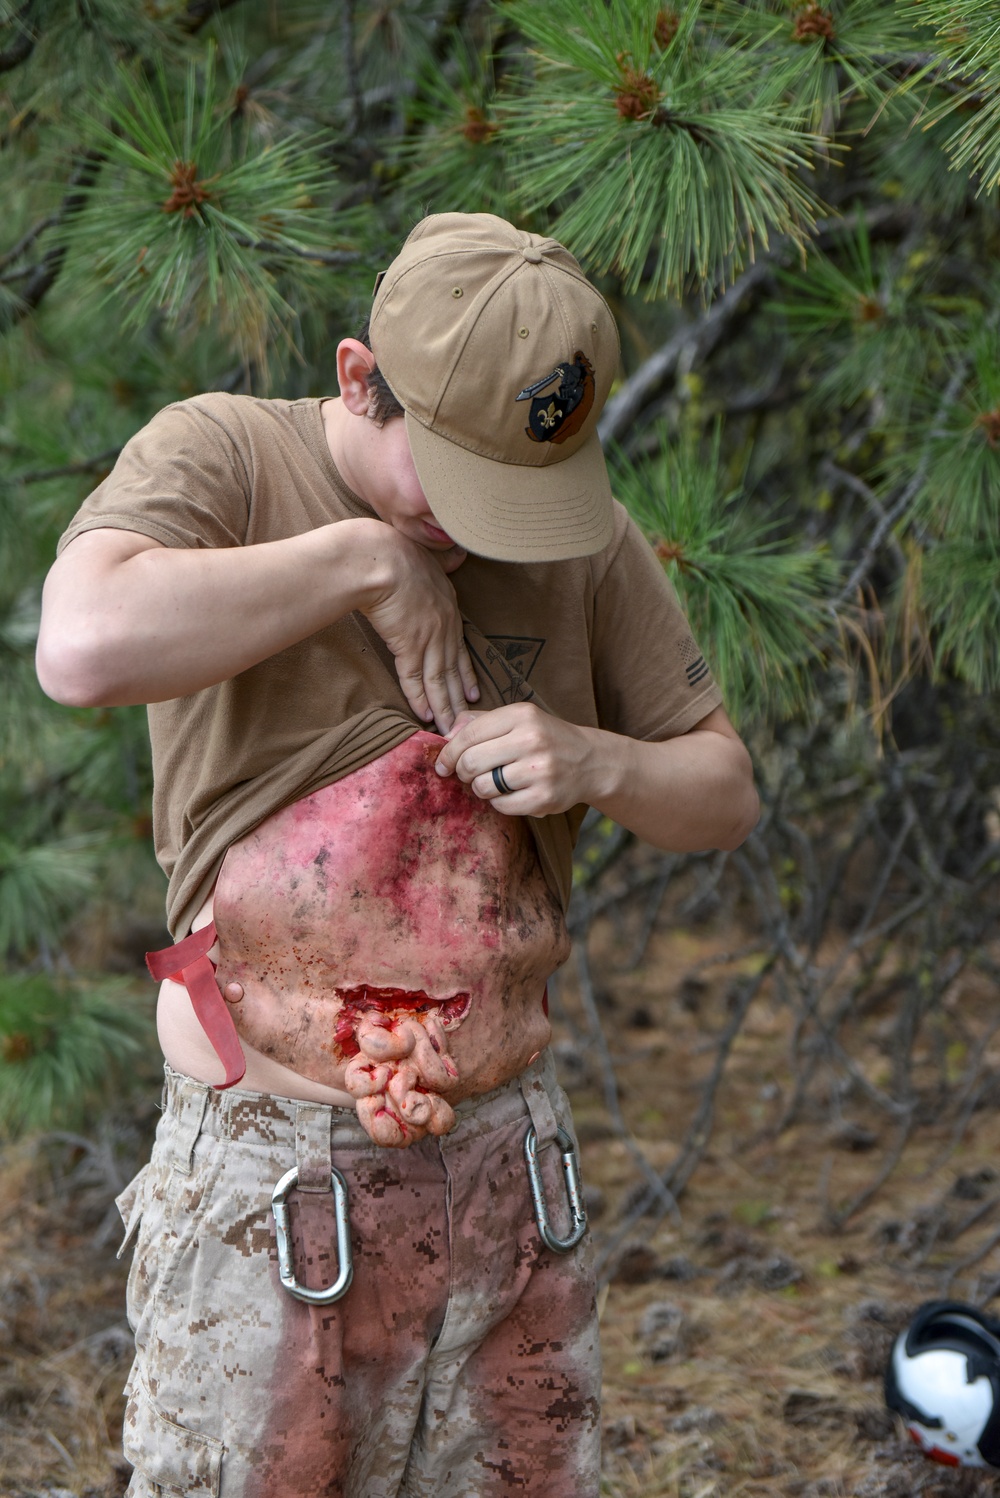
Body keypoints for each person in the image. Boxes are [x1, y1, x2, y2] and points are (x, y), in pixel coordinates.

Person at [36, 211, 758, 1498]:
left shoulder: (570, 538)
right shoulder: (227, 457)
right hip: (272, 1174)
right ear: (360, 377)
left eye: (525, 493)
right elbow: (81, 645)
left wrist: (601, 762)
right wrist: (361, 562)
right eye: (461, 485)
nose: (488, 533)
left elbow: (723, 790)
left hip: (504, 1166)